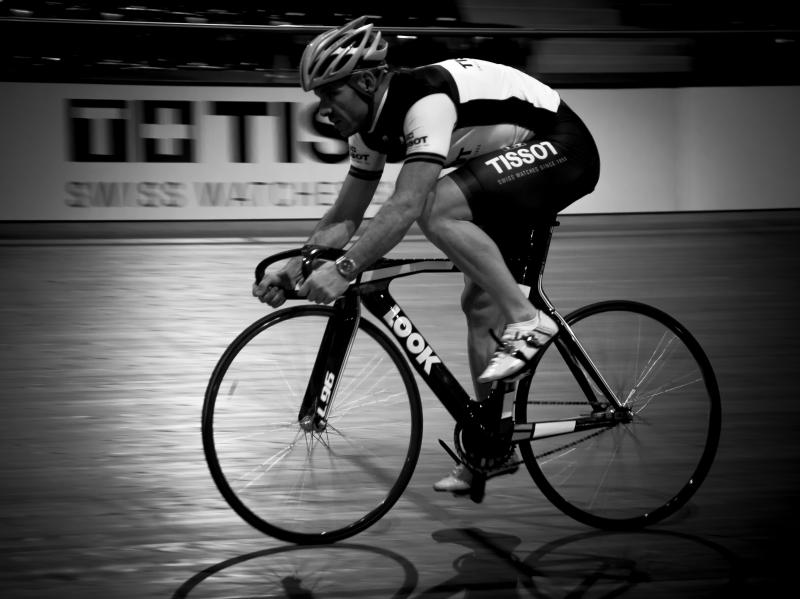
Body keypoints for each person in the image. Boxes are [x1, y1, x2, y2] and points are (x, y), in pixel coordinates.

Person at [253, 16, 600, 493]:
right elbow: (346, 216)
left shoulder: (425, 101)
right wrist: (299, 264)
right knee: (479, 309)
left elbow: (408, 204)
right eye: (321, 97)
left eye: (332, 93)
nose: (326, 109)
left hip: (561, 149)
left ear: (369, 80)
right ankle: (492, 448)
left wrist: (347, 268)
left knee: (435, 206)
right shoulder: (366, 131)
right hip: (508, 164)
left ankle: (527, 318)